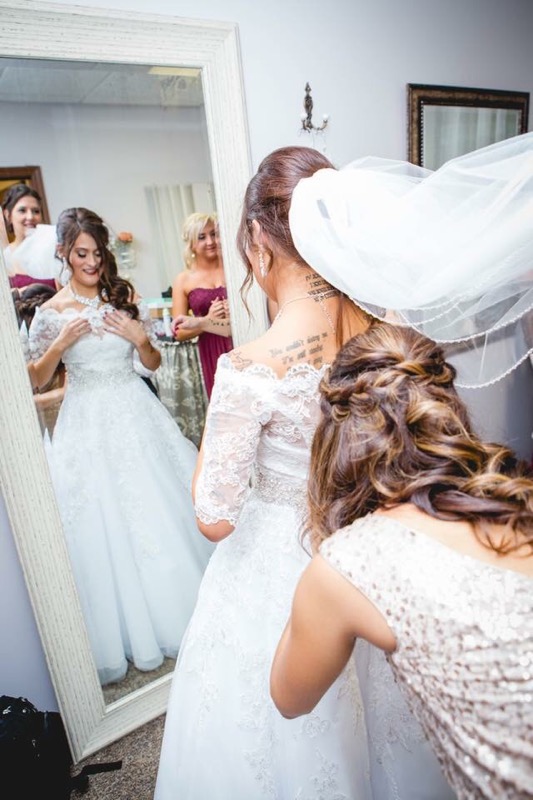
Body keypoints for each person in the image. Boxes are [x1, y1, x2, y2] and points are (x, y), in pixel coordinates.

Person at [155, 147, 376, 800]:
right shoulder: (378, 336)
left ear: (257, 240)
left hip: (276, 570)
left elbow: (215, 517)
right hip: (361, 553)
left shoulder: (251, 367)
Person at [271, 323, 533, 800]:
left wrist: (321, 536)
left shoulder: (348, 562)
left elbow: (289, 698)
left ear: (336, 435)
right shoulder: (514, 492)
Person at [28, 206, 213, 685]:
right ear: (64, 254)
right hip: (86, 421)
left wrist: (137, 336)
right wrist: (58, 343)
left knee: (156, 509)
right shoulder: (50, 314)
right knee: (100, 520)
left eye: (96, 253)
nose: (90, 262)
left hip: (136, 413)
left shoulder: (122, 296)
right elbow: (33, 380)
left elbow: (151, 363)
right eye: (80, 253)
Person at [170, 212, 233, 398]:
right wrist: (207, 321)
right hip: (211, 349)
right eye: (202, 237)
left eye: (213, 234)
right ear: (191, 244)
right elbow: (178, 332)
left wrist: (236, 310)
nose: (210, 241)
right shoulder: (183, 280)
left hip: (241, 340)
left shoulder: (233, 268)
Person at [1, 183, 58, 291]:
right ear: (8, 215)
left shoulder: (53, 252)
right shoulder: (3, 257)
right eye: (22, 210)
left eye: (36, 211)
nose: (30, 217)